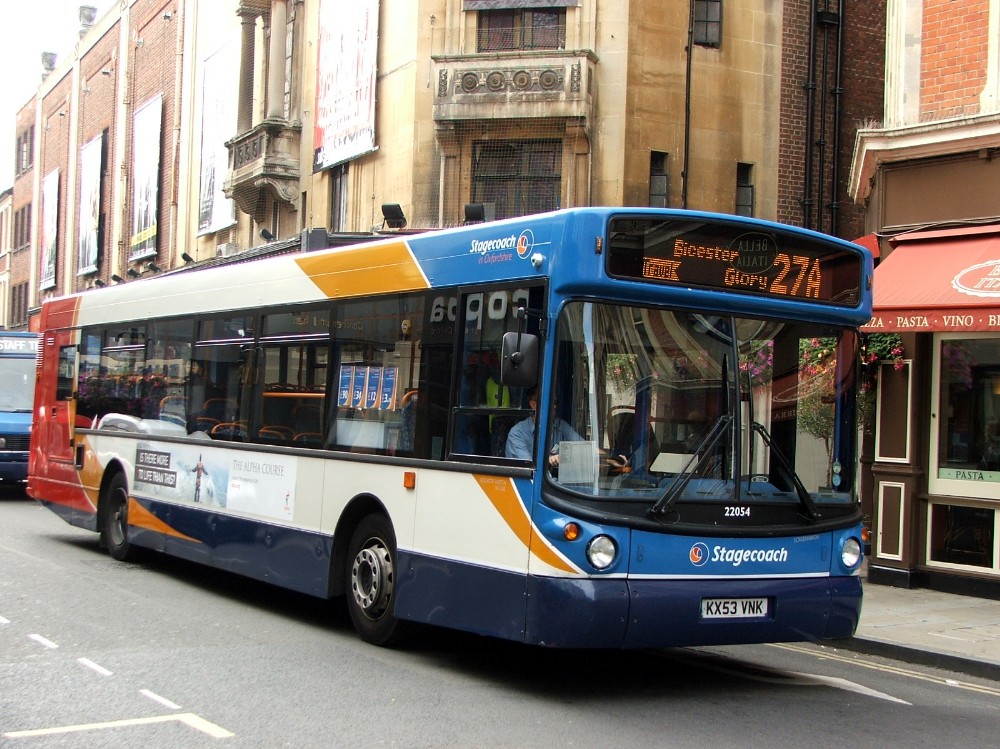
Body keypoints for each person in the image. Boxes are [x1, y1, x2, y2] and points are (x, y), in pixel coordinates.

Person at [506, 387, 583, 465]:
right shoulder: (517, 433)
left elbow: (583, 448)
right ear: (533, 404)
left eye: (555, 402)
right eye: (550, 401)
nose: (555, 406)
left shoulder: (560, 425)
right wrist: (548, 460)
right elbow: (528, 466)